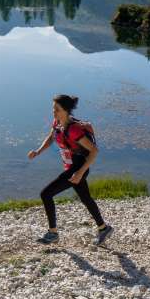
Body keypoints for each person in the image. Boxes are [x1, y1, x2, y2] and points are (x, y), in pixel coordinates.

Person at [28, 94, 113, 246]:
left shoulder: (74, 130)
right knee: (85, 198)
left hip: (78, 167)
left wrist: (79, 173)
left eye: (57, 109)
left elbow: (94, 151)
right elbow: (51, 138)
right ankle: (103, 228)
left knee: (46, 194)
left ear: (66, 110)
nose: (54, 112)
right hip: (71, 166)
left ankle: (53, 233)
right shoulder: (58, 123)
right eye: (53, 108)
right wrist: (38, 151)